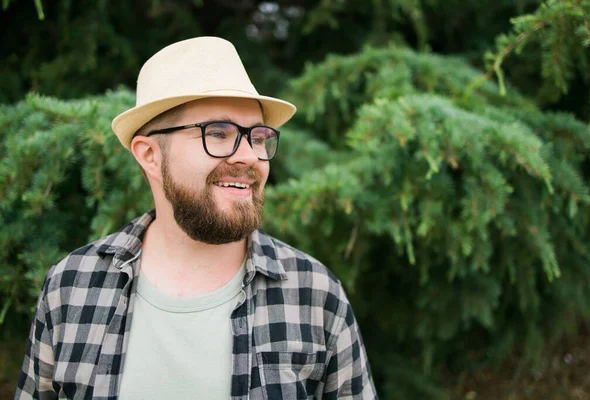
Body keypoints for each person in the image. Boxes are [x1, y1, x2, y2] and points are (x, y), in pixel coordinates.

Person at [15, 37, 377, 400]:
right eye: (218, 133)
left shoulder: (314, 294)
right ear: (150, 155)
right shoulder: (72, 286)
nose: (250, 156)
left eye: (258, 137)